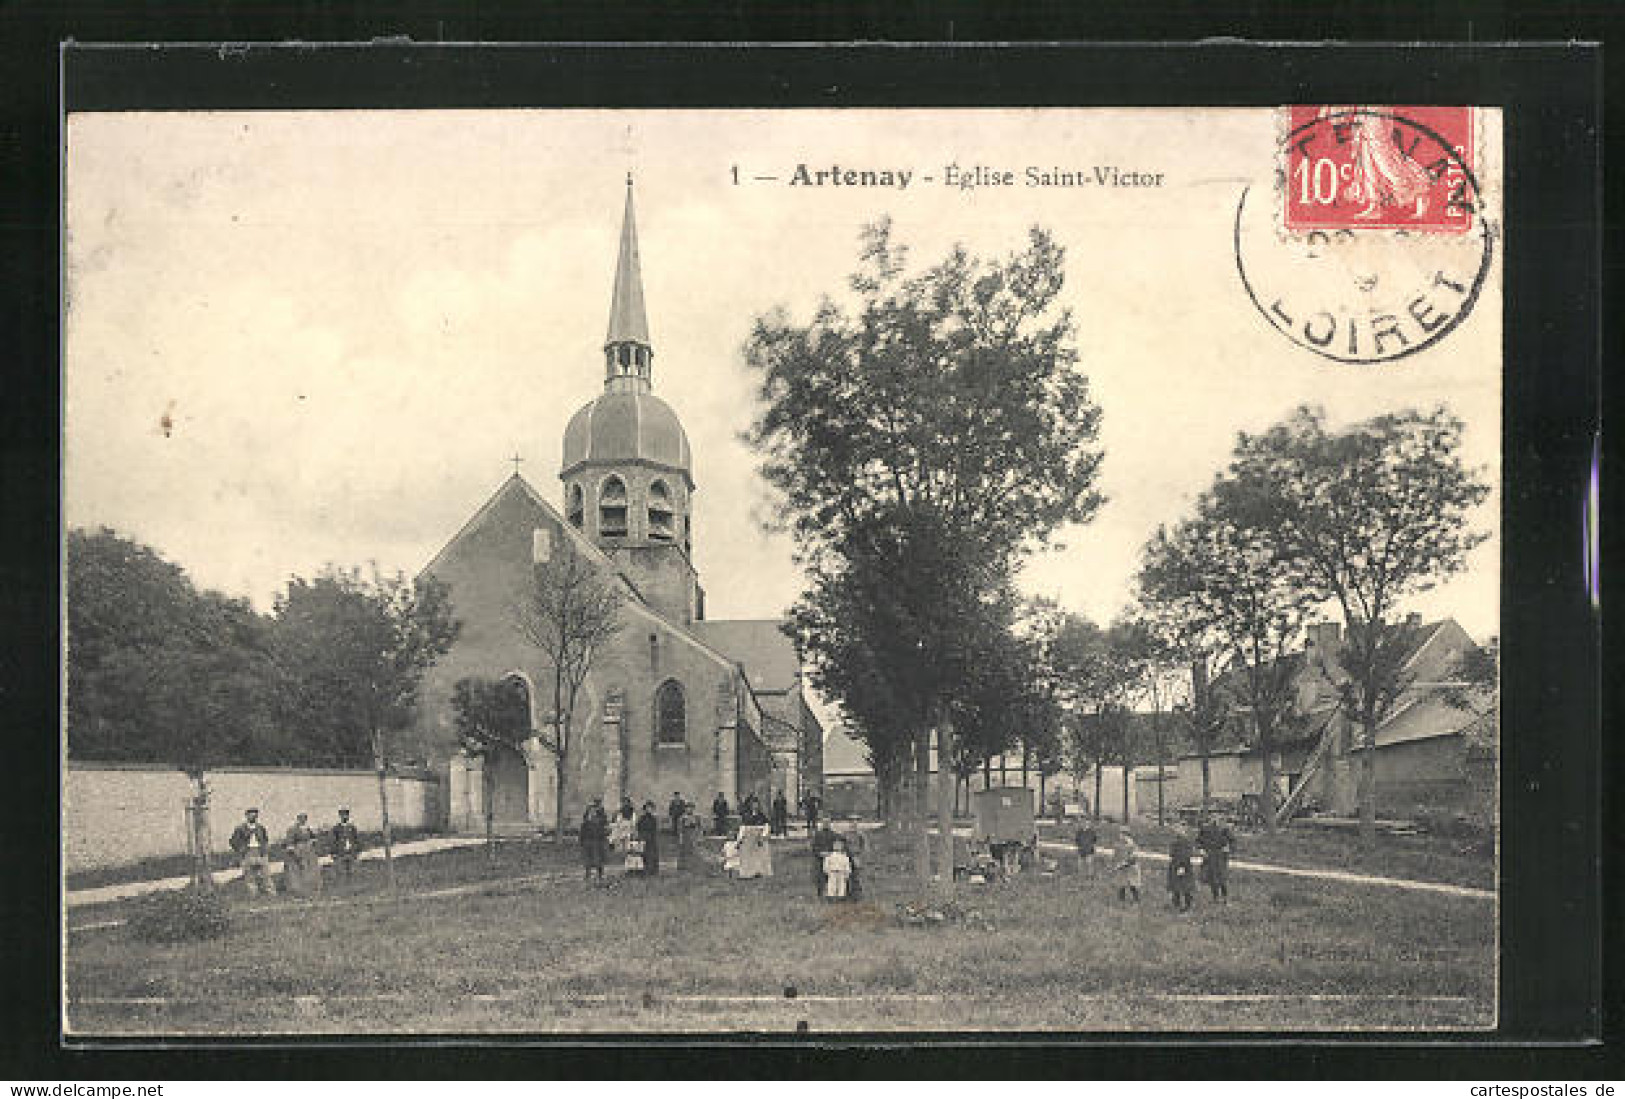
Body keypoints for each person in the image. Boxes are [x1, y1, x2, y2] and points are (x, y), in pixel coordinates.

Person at [229, 807, 272, 897]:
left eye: (255, 814)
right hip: (247, 852)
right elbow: (233, 841)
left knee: (266, 874)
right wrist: (241, 849)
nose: (253, 816)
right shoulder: (240, 828)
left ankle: (270, 893)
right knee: (249, 875)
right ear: (246, 816)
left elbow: (265, 839)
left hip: (260, 852)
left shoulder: (261, 828)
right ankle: (253, 894)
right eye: (250, 814)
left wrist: (265, 848)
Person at [1196, 813, 1234, 902]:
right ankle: (1215, 897)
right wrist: (1201, 849)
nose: (1215, 820)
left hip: (1220, 856)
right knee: (1212, 878)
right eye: (1213, 818)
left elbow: (1232, 841)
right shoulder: (1205, 829)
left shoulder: (1224, 830)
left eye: (1217, 818)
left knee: (1222, 878)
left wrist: (1228, 848)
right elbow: (1198, 841)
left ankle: (1225, 898)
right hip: (1209, 856)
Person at [283, 812, 322, 896]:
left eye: (304, 818)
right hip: (298, 851)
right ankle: (298, 891)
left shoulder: (308, 829)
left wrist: (312, 842)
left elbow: (314, 838)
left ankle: (312, 890)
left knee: (311, 870)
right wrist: (294, 853)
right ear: (298, 819)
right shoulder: (292, 829)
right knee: (298, 870)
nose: (303, 820)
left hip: (309, 852)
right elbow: (289, 842)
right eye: (301, 818)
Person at [580, 797, 610, 881]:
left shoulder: (600, 821)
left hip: (598, 841)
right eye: (590, 812)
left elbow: (604, 830)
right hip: (588, 842)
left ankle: (600, 874)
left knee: (599, 859)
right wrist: (582, 841)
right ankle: (587, 874)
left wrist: (604, 838)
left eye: (593, 812)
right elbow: (582, 832)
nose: (592, 813)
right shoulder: (586, 823)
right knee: (588, 859)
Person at [330, 807, 362, 883]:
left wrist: (357, 850)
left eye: (346, 815)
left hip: (351, 851)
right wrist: (333, 853)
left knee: (352, 870)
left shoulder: (352, 827)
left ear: (348, 816)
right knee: (341, 871)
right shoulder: (336, 828)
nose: (344, 817)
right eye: (342, 815)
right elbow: (333, 841)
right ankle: (342, 886)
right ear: (340, 816)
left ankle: (353, 885)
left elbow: (356, 839)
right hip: (340, 852)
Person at [1167, 830, 1196, 912]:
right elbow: (1172, 854)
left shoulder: (1183, 844)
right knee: (1178, 886)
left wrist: (1182, 866)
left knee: (1183, 886)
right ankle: (1179, 904)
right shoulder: (1185, 844)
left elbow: (1185, 855)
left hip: (1182, 866)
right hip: (1179, 866)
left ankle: (1185, 905)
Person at [1114, 831, 1142, 903]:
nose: (1121, 837)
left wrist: (1123, 864)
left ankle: (1136, 900)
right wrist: (1118, 863)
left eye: (1123, 835)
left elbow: (1133, 858)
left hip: (1132, 867)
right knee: (1122, 883)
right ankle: (1121, 900)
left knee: (1133, 884)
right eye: (1121, 835)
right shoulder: (1119, 845)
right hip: (1123, 868)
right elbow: (1117, 855)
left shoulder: (1133, 846)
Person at [810, 821, 838, 896]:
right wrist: (820, 853)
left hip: (831, 857)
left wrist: (831, 853)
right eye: (824, 823)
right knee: (819, 874)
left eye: (828, 823)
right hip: (820, 857)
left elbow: (838, 846)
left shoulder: (834, 834)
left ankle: (831, 892)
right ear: (822, 824)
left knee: (832, 874)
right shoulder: (817, 834)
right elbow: (813, 847)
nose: (826, 824)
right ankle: (820, 891)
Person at [635, 800, 661, 876]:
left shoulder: (653, 819)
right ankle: (644, 870)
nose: (649, 809)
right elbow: (638, 828)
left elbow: (655, 829)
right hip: (644, 837)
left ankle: (653, 870)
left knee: (653, 854)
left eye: (651, 808)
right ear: (645, 809)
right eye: (647, 808)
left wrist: (654, 837)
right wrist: (640, 837)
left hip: (652, 838)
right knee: (644, 854)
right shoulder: (642, 818)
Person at [677, 804, 702, 872]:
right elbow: (680, 829)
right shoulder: (682, 818)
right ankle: (683, 866)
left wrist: (699, 837)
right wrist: (680, 838)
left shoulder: (696, 817)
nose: (689, 809)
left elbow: (699, 828)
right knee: (684, 850)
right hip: (686, 836)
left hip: (693, 835)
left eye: (691, 808)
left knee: (693, 850)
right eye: (688, 808)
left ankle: (693, 865)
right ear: (685, 809)